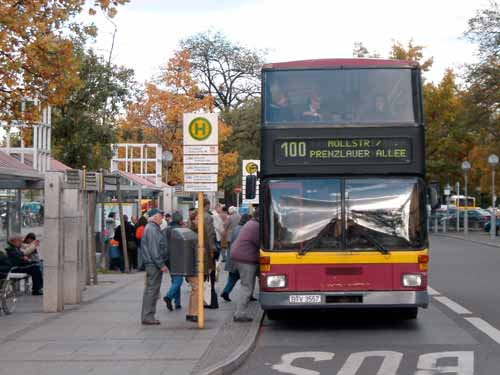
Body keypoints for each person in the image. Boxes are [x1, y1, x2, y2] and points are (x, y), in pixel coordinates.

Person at [140, 208, 169, 325]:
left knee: (152, 290)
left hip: (153, 263)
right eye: (160, 215)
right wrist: (161, 264)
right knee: (152, 290)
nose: (162, 217)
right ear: (155, 217)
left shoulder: (153, 228)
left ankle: (149, 315)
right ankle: (148, 316)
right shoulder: (152, 229)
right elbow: (154, 250)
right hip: (153, 264)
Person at [231, 209, 260, 322]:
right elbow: (262, 243)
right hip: (246, 258)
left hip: (240, 255)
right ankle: (239, 314)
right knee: (247, 286)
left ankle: (240, 312)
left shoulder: (250, 223)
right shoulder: (256, 227)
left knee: (246, 284)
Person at [221, 213, 252, 302]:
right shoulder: (244, 230)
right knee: (247, 279)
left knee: (232, 277)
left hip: (232, 257)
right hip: (240, 258)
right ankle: (248, 295)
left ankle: (226, 292)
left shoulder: (236, 228)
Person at [163, 211, 184, 311]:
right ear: (180, 220)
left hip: (168, 259)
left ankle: (177, 303)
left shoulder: (166, 229)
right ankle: (169, 296)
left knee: (175, 280)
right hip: (178, 258)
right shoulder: (181, 230)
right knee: (178, 280)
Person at [203, 198, 218, 309]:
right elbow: (209, 235)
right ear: (207, 205)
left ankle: (204, 300)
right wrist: (212, 250)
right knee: (209, 276)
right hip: (207, 251)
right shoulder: (207, 217)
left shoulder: (194, 216)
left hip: (198, 250)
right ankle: (210, 300)